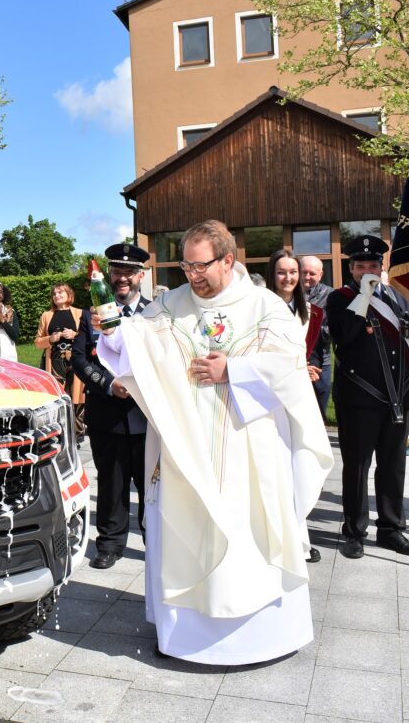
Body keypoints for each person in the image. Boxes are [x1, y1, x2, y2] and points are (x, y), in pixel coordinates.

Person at [95, 221, 332, 664]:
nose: (191, 275)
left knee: (249, 534)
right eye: (185, 264)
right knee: (185, 527)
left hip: (248, 448)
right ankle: (184, 639)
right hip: (185, 446)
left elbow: (289, 367)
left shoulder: (265, 306)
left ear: (228, 260)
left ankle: (264, 636)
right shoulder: (170, 305)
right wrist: (111, 332)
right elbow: (137, 346)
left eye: (200, 265)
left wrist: (234, 371)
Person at [328, 235, 409, 559]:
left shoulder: (399, 298)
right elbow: (343, 336)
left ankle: (391, 529)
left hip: (397, 395)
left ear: (382, 268)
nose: (366, 270)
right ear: (351, 268)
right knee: (357, 467)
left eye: (372, 265)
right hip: (359, 398)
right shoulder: (340, 298)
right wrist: (364, 296)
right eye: (360, 266)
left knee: (393, 466)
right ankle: (354, 530)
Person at [70, 242, 150, 570]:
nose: (122, 278)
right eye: (117, 271)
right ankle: (110, 543)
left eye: (129, 272)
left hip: (148, 417)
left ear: (141, 276)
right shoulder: (94, 314)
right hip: (107, 414)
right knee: (112, 483)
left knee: (152, 487)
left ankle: (155, 541)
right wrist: (107, 384)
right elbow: (78, 358)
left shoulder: (155, 313)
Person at [265, 249, 325, 562]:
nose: (288, 278)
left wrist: (310, 365)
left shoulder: (309, 312)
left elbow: (311, 352)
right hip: (268, 401)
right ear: (272, 274)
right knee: (274, 469)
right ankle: (276, 538)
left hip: (299, 397)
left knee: (300, 465)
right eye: (281, 272)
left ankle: (299, 537)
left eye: (293, 272)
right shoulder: (260, 309)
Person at [35, 282, 86, 438]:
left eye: (60, 292)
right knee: (57, 398)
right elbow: (37, 342)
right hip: (55, 363)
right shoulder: (47, 315)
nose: (56, 296)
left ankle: (77, 434)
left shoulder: (80, 313)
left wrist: (75, 335)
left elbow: (89, 338)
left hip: (76, 361)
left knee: (77, 397)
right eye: (54, 293)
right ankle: (59, 434)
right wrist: (50, 338)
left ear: (69, 295)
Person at [301, 255, 333, 415]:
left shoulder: (331, 296)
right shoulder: (287, 294)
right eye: (303, 272)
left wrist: (315, 327)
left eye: (312, 273)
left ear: (320, 274)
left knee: (320, 411)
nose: (307, 277)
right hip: (294, 361)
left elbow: (337, 330)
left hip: (321, 361)